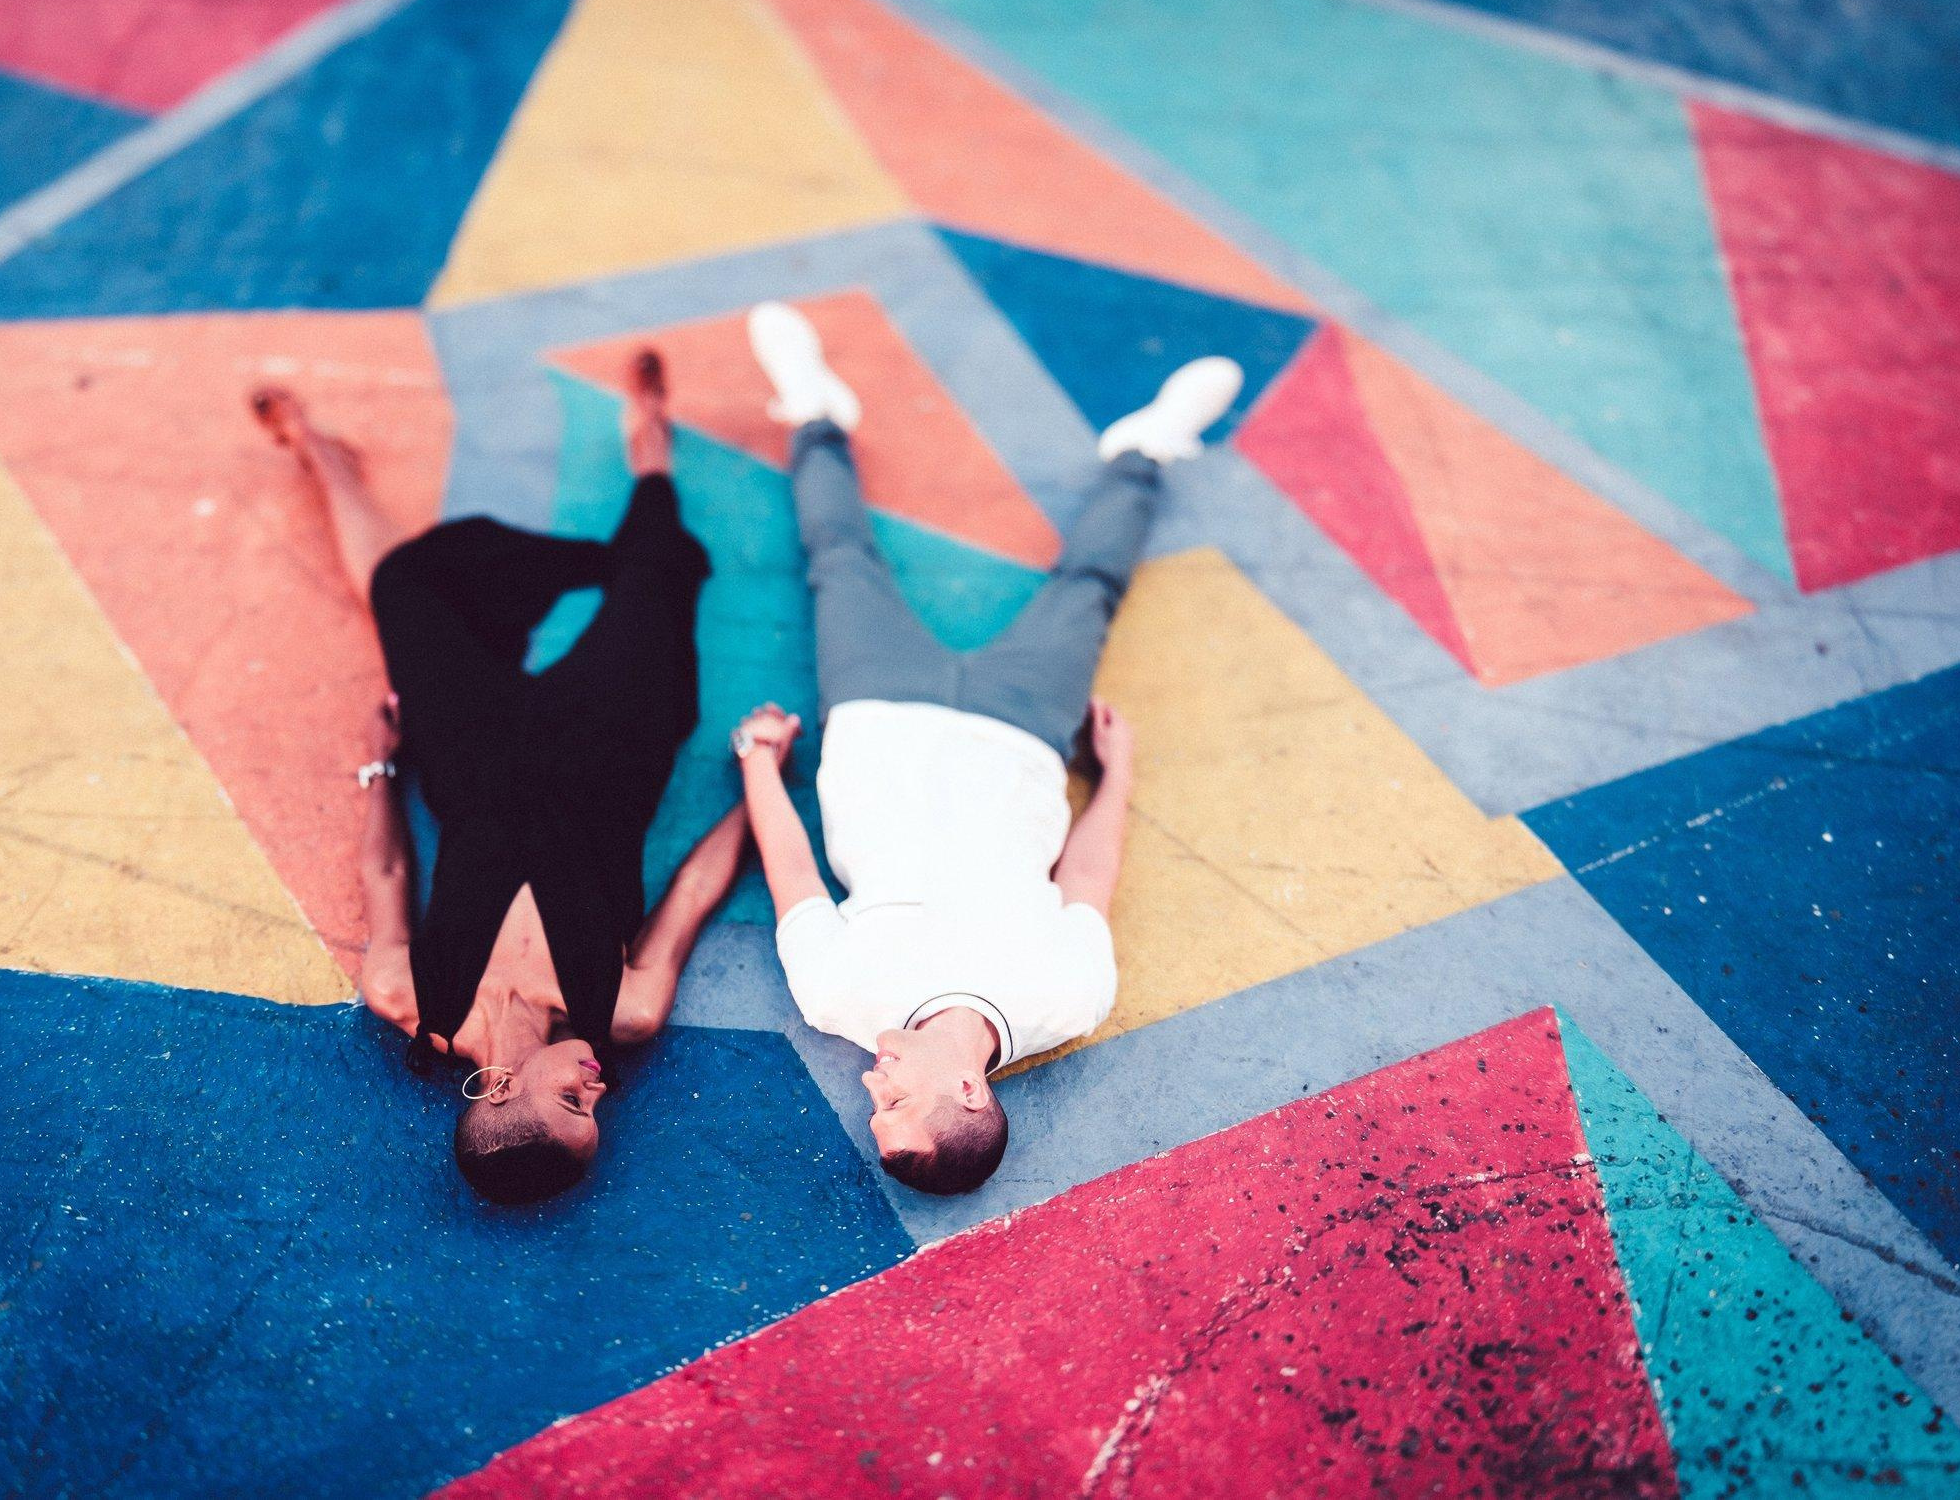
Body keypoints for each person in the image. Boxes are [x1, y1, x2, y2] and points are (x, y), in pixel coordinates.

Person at [730, 301, 1245, 1196]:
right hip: (1023, 729)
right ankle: (1148, 448)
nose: (869, 1084)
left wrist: (756, 764)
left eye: (872, 1104)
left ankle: (815, 413)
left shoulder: (840, 999)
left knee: (839, 557)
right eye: (894, 1103)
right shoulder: (1067, 1001)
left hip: (877, 706)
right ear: (967, 1089)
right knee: (1088, 588)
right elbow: (1086, 882)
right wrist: (1116, 772)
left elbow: (794, 872)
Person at [251, 349, 748, 1206]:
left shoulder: (405, 992)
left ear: (500, 1091)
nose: (600, 1089)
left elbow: (388, 872)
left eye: (574, 1101)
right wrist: (763, 778)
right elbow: (696, 887)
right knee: (651, 586)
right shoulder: (624, 1008)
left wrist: (380, 763)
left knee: (404, 594)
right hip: (610, 751)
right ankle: (650, 449)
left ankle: (320, 451)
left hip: (471, 757)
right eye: (596, 1108)